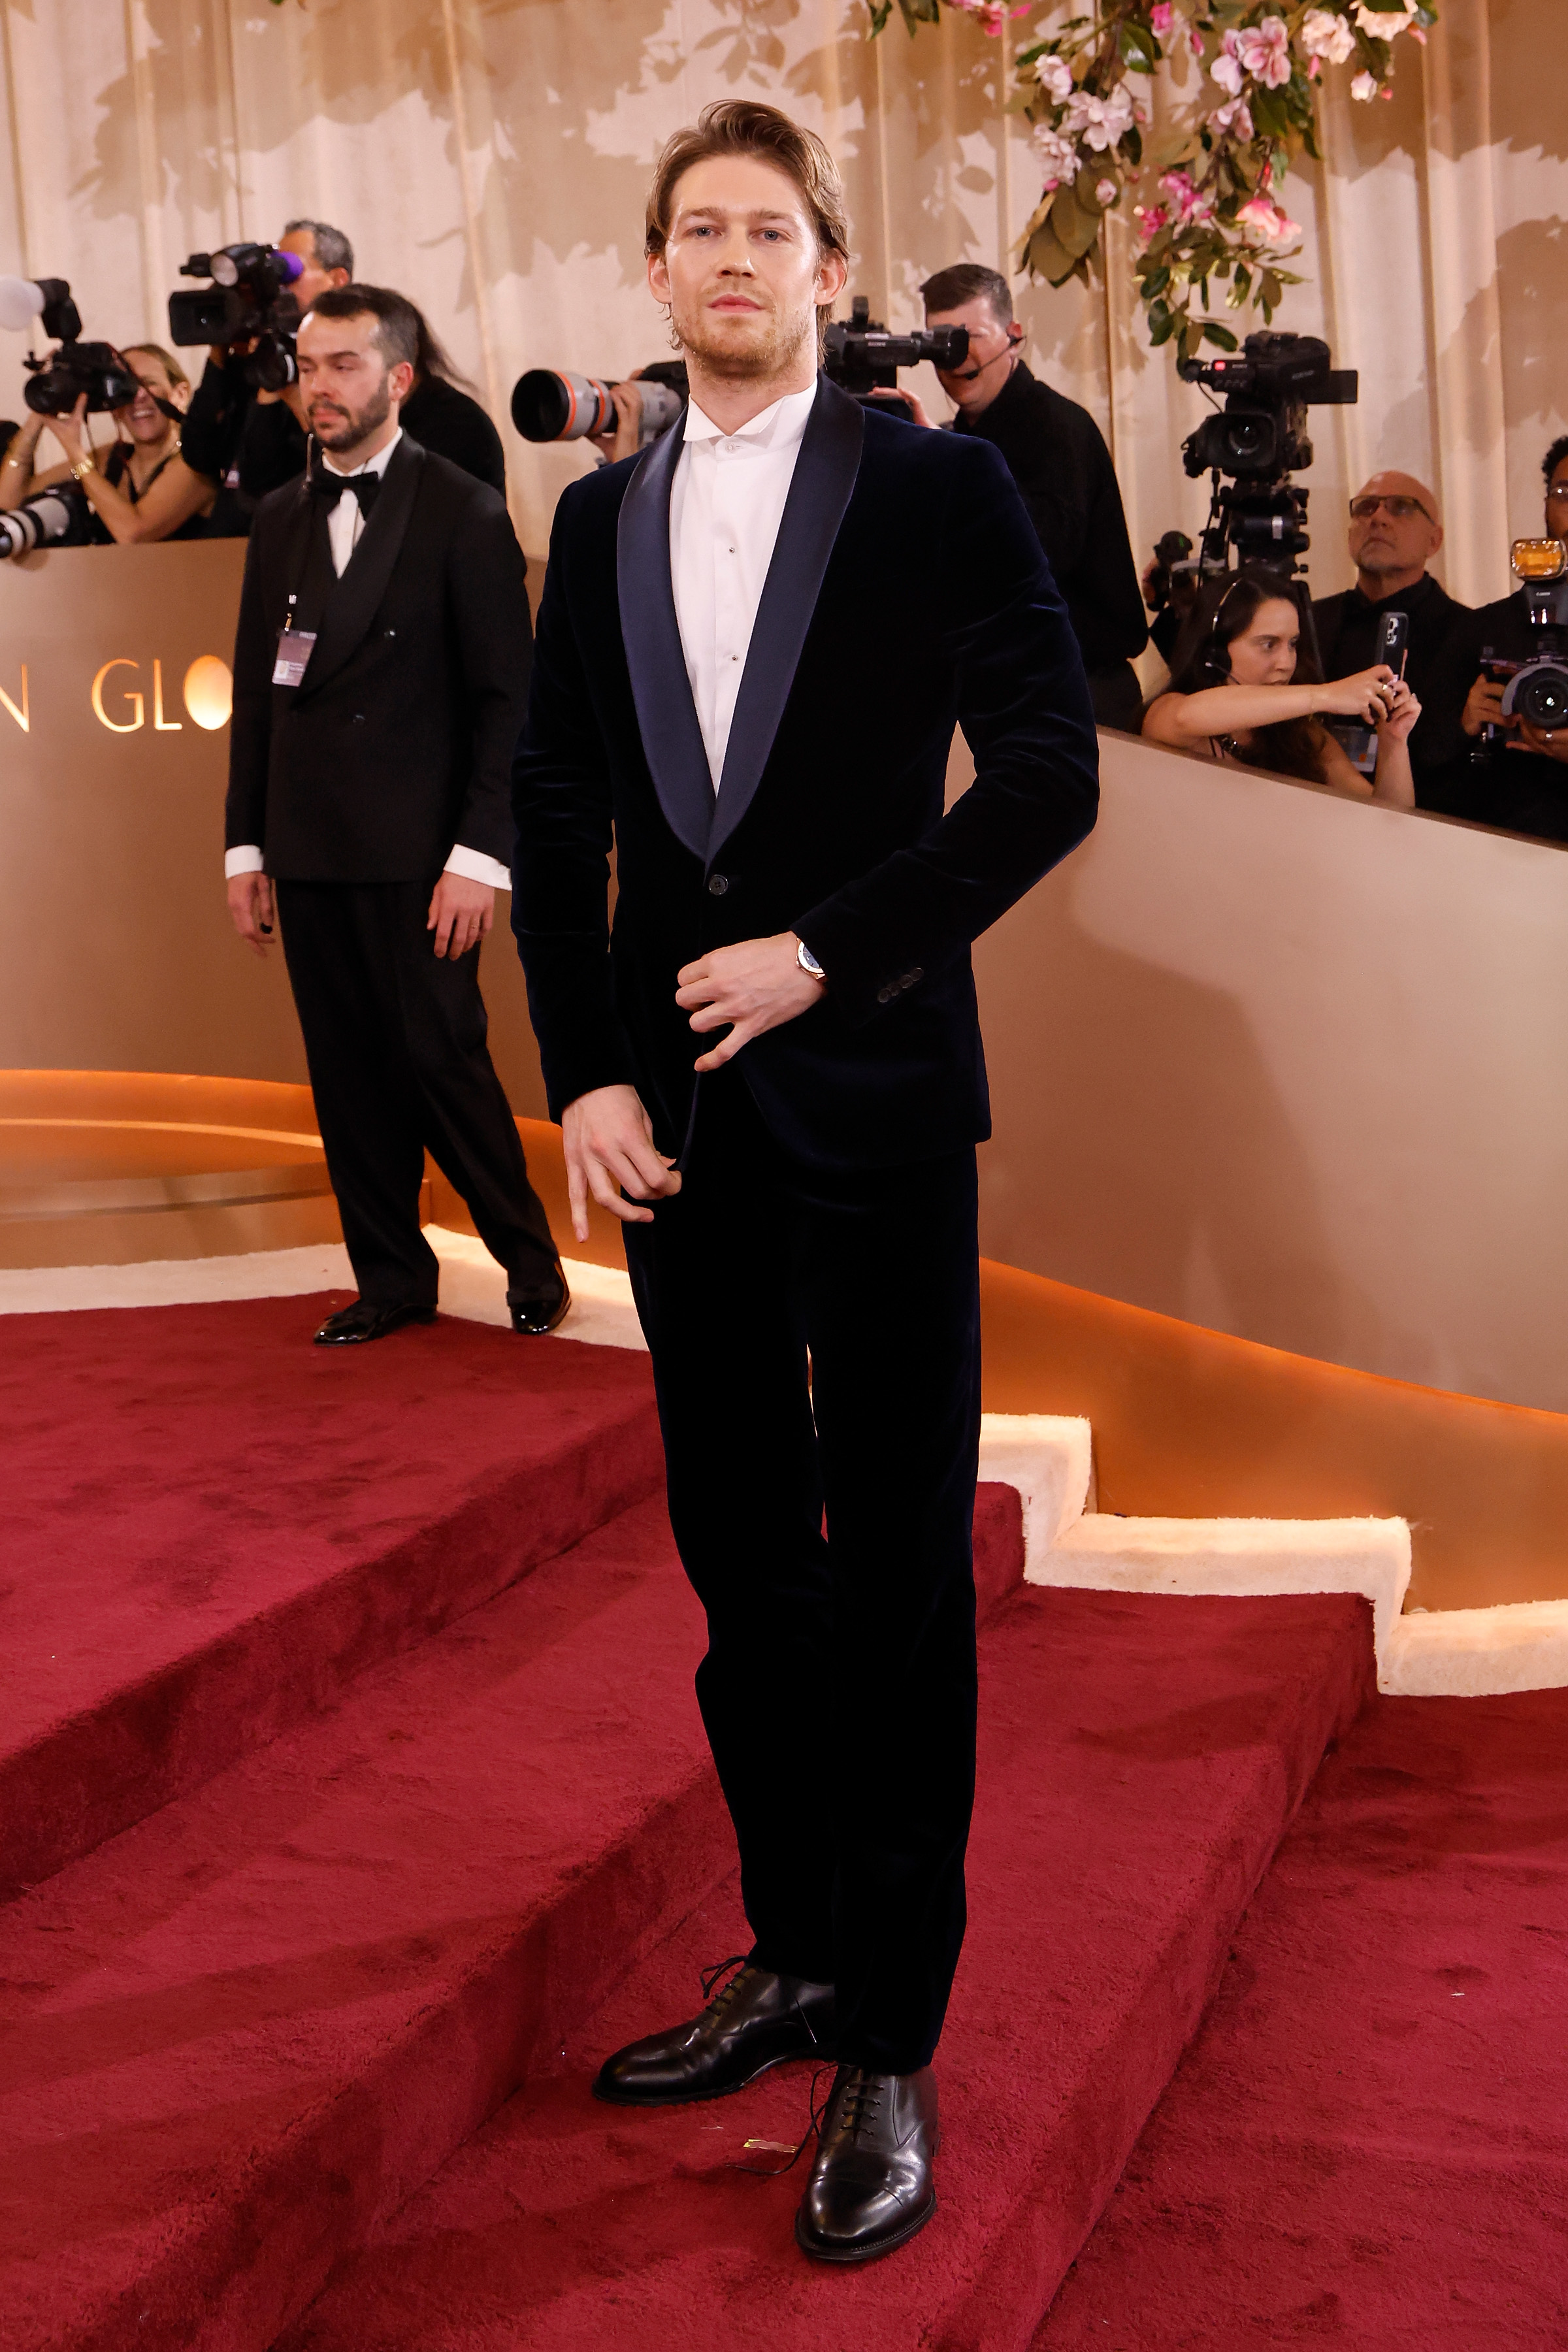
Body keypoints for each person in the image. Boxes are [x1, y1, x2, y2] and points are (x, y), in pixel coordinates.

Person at [512, 101, 1098, 2266]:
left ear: (827, 275)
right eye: (699, 231)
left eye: (770, 229)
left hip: (874, 1104)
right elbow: (560, 801)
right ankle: (791, 1950)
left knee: (905, 1584)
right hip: (680, 1138)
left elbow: (1047, 773)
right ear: (658, 280)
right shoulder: (594, 525)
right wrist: (581, 1074)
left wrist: (832, 945)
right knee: (744, 1559)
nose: (734, 258)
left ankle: (896, 2034)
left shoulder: (937, 489)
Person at [224, 283, 565, 1346]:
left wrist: (481, 856)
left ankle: (527, 1256)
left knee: (442, 1059)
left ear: (399, 379)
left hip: (426, 856)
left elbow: (512, 702)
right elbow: (255, 698)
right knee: (347, 1073)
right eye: (309, 368)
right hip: (310, 844)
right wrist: (246, 845)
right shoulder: (278, 517)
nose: (317, 389)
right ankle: (391, 1279)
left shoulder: (463, 508)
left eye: (343, 367)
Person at [883, 261, 1147, 730]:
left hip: (1080, 687)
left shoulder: (1059, 425)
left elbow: (1045, 552)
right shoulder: (956, 439)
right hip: (993, 680)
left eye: (973, 335)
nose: (957, 355)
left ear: (1014, 336)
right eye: (941, 342)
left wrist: (948, 464)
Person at [1143, 570, 1420, 808]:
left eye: (1292, 644)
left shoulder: (1302, 737)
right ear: (1216, 652)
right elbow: (1186, 717)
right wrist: (1326, 695)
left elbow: (1387, 820)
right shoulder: (1170, 710)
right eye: (1268, 645)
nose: (1286, 663)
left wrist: (1393, 742)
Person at [1435, 436, 1568, 843]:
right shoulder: (1483, 629)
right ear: (1545, 506)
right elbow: (1425, 770)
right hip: (1495, 851)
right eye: (1565, 494)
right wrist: (1465, 726)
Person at [1311, 470, 1470, 804]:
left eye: (1402, 508)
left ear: (1435, 541)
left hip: (1430, 826)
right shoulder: (1305, 620)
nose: (1378, 518)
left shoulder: (1470, 632)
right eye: (1366, 508)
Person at [181, 219, 354, 519]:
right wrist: (220, 346)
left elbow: (348, 464)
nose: (277, 284)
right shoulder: (254, 353)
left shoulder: (355, 362)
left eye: (287, 270)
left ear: (337, 280)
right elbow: (199, 455)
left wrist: (287, 390)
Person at [0, 344, 216, 542]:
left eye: (149, 384)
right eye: (127, 386)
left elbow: (132, 532)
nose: (138, 396)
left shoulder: (195, 464)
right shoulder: (109, 461)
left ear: (181, 394)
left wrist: (75, 452)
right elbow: (11, 501)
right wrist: (41, 410)